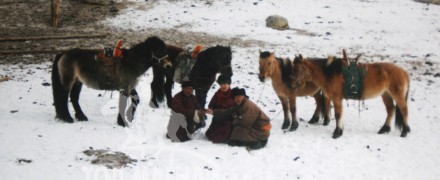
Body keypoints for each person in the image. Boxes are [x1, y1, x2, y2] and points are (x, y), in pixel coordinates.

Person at [206, 88, 271, 150]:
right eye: (235, 97)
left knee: (236, 132)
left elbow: (245, 123)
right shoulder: (240, 104)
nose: (237, 99)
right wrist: (214, 111)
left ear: (243, 96)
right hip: (254, 127)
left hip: (261, 131)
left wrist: (234, 121)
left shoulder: (248, 105)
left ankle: (259, 142)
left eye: (239, 96)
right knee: (234, 132)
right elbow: (228, 111)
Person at [205, 75, 235, 143]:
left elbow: (233, 110)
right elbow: (211, 104)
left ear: (229, 84)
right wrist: (210, 109)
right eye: (221, 84)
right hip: (218, 118)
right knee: (210, 135)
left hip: (229, 119)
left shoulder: (234, 94)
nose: (223, 86)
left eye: (224, 84)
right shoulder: (217, 94)